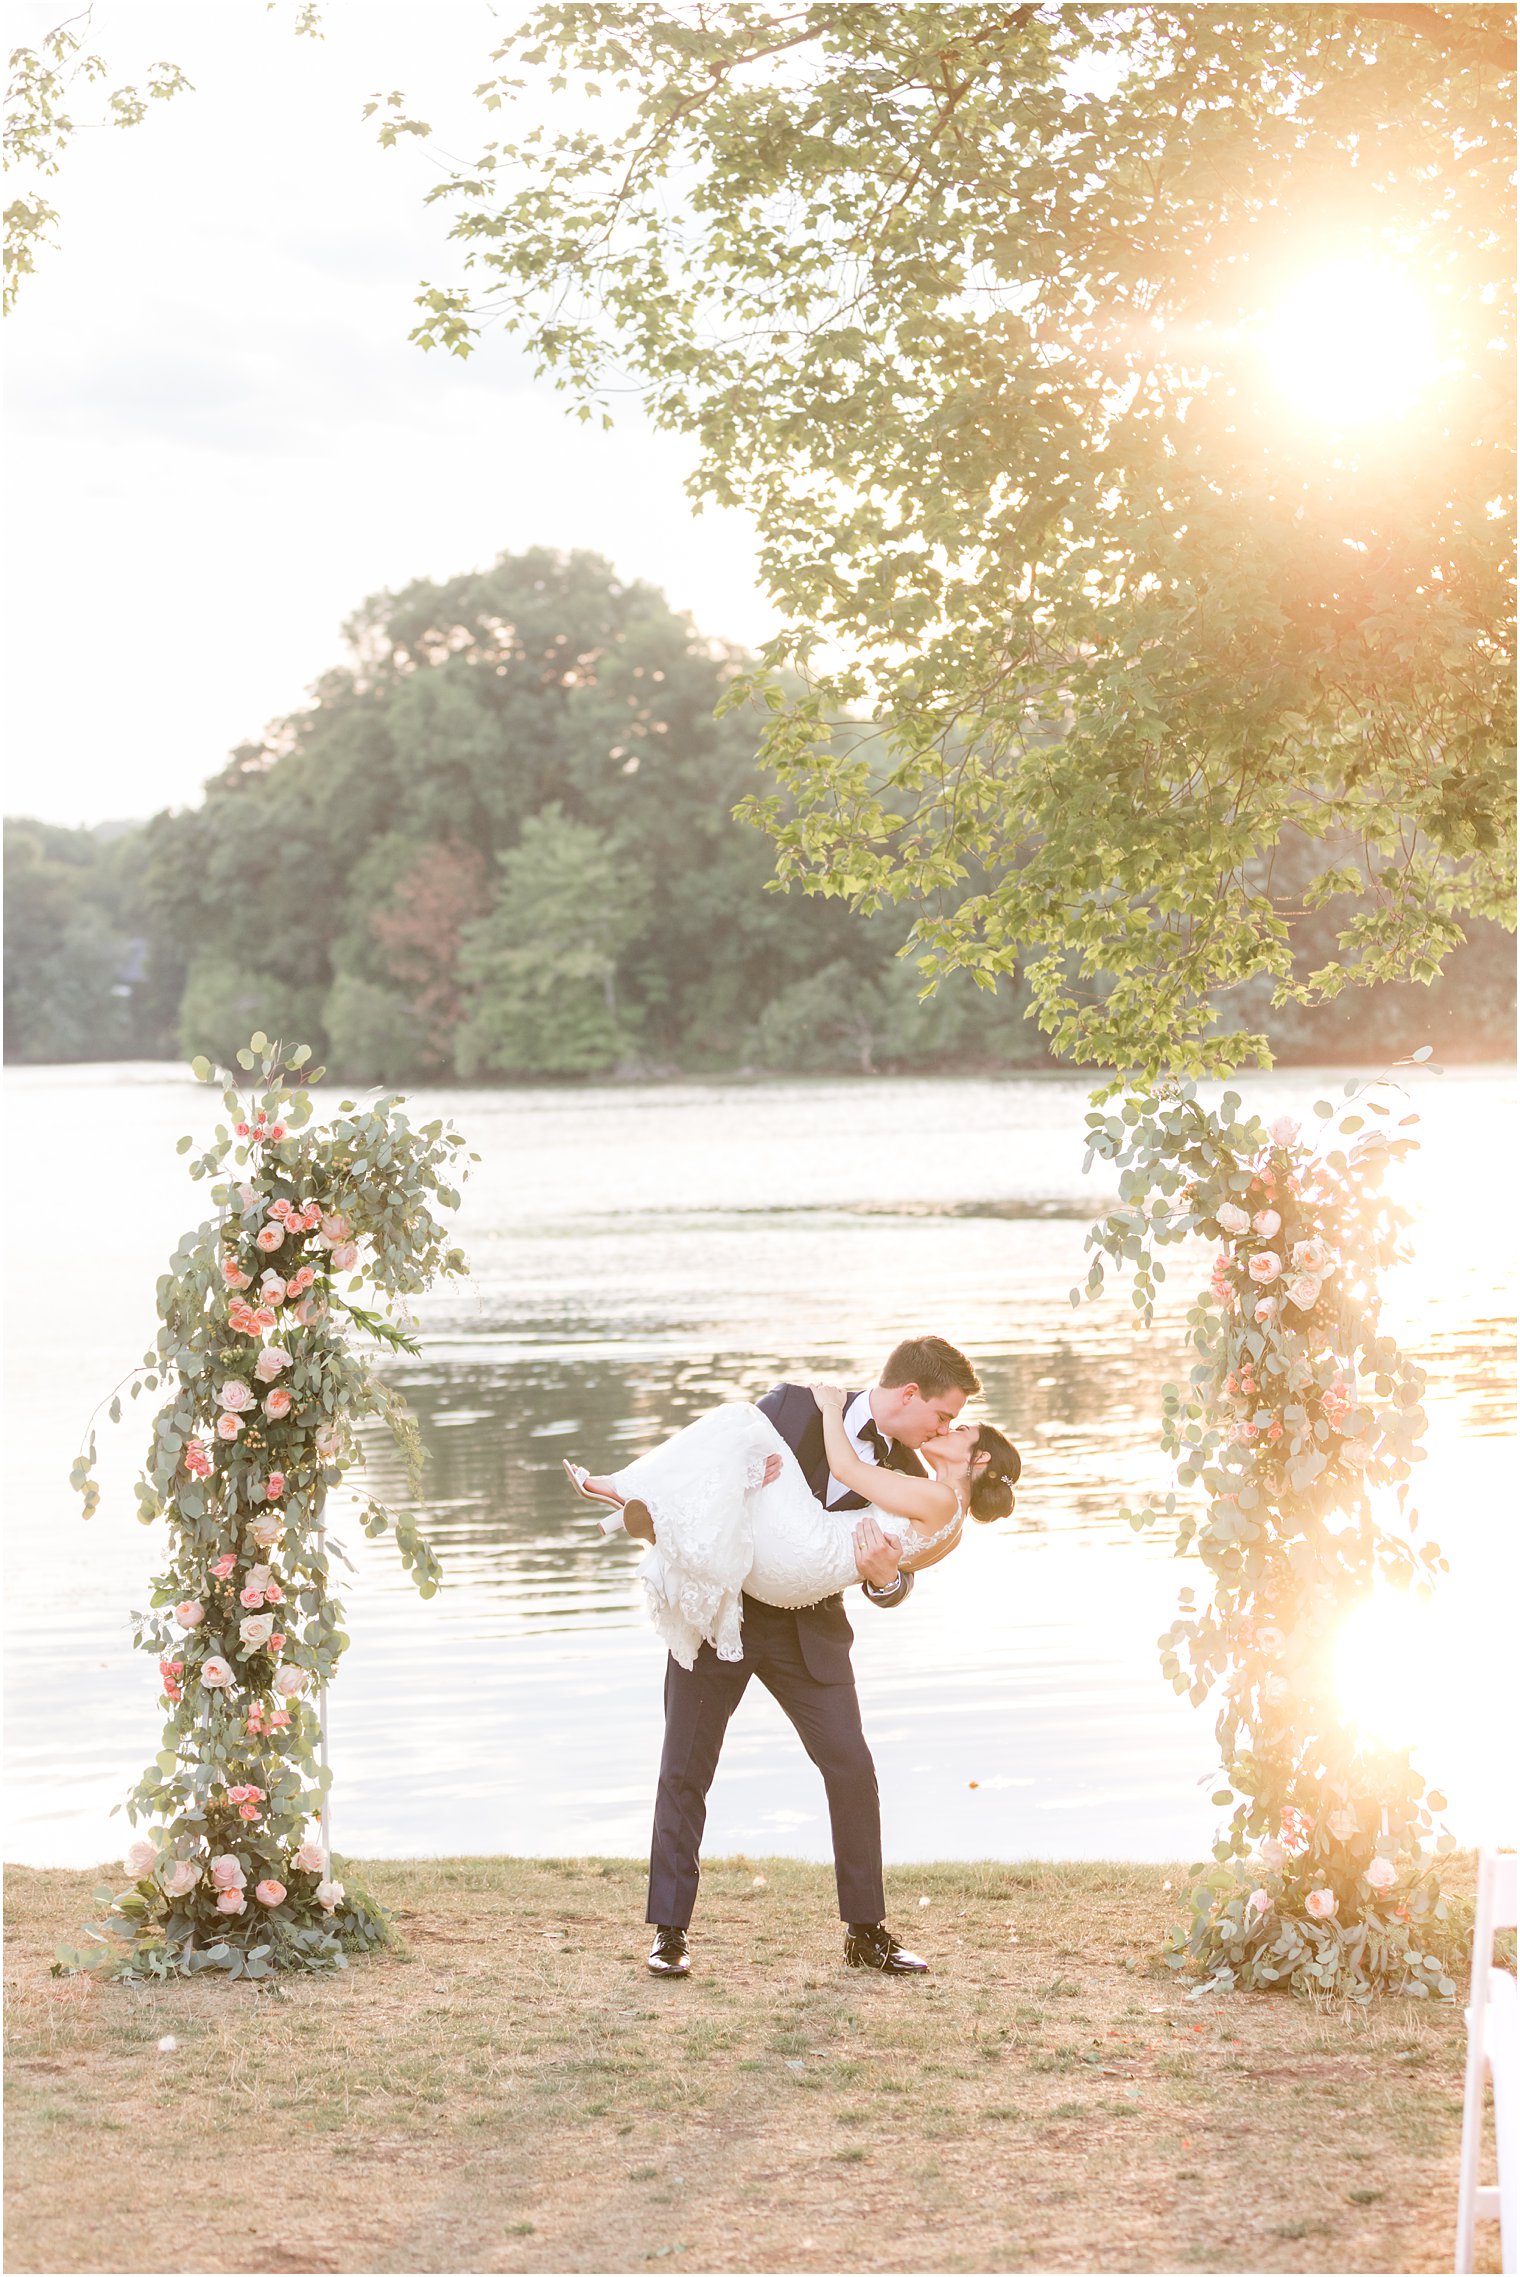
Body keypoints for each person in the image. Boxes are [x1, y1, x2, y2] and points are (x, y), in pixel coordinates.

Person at [564, 1335, 1021, 1979]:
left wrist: (886, 1578)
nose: (941, 1429)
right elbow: (712, 1474)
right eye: (942, 1415)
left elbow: (901, 1570)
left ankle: (867, 1932)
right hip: (727, 1609)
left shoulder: (916, 1474)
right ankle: (669, 1933)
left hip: (809, 1628)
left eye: (952, 1425)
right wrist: (746, 1475)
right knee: (684, 1767)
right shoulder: (794, 1407)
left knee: (852, 1768)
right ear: (911, 1393)